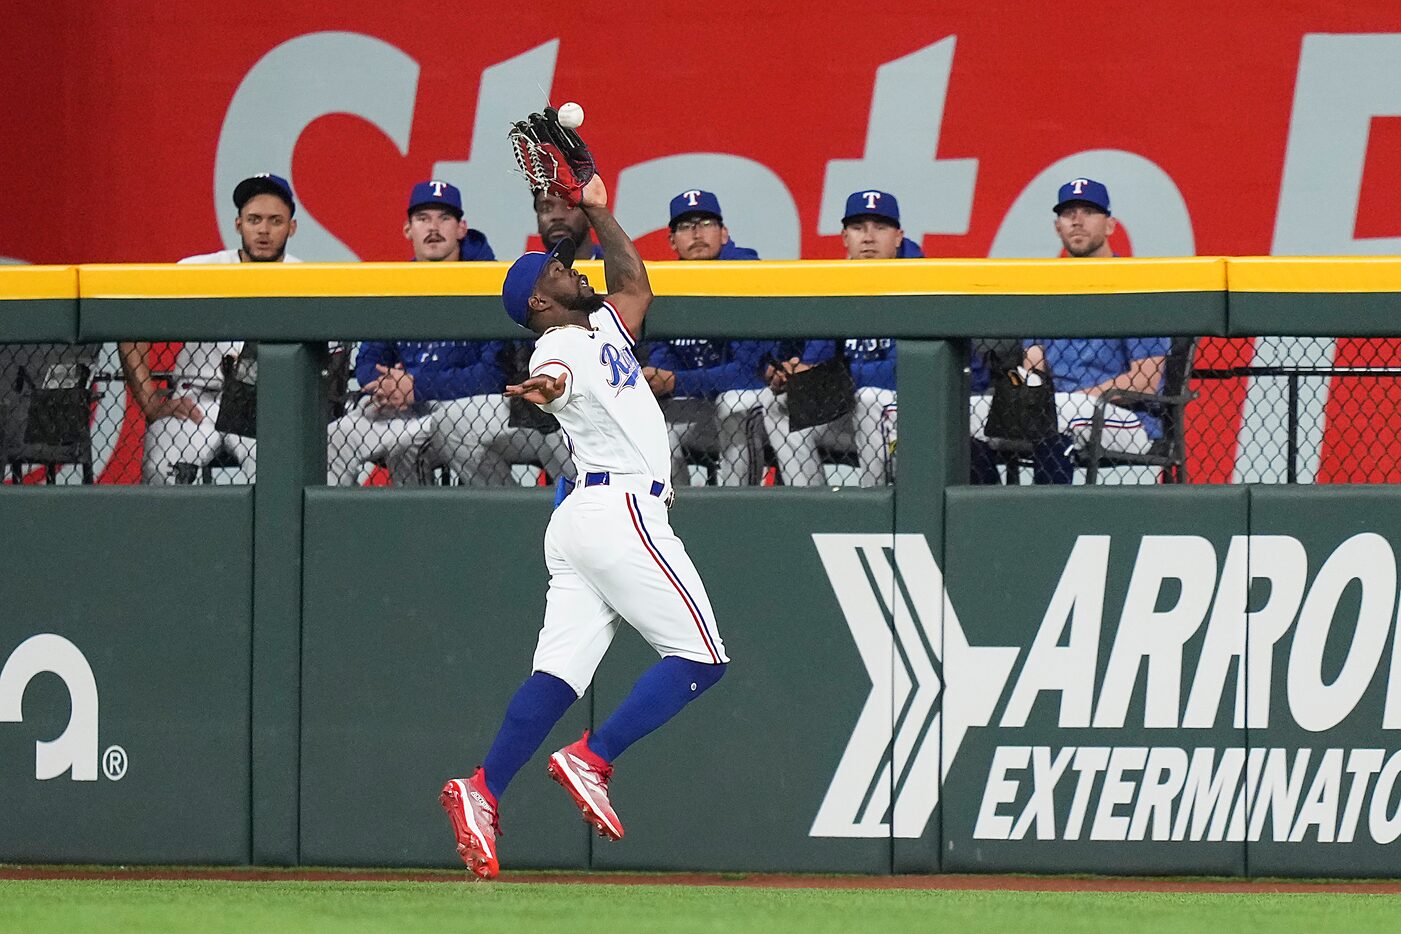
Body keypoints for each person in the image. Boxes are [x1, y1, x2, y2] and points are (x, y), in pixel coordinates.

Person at [440, 170, 728, 880]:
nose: (571, 268)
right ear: (540, 300)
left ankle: (483, 789)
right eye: (558, 271)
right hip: (621, 508)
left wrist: (600, 211)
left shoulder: (597, 322)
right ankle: (590, 758)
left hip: (580, 520)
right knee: (701, 658)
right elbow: (554, 380)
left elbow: (637, 287)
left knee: (558, 675)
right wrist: (545, 393)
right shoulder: (557, 346)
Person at [970, 178, 1169, 483]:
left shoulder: (1136, 286)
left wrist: (1077, 400)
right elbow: (1033, 366)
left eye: (1088, 211)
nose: (1077, 220)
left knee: (1061, 414)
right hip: (1058, 414)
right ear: (1057, 228)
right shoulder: (1048, 292)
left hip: (1128, 419)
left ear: (1110, 226)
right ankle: (989, 511)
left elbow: (1146, 380)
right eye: (1068, 213)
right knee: (967, 416)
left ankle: (1047, 518)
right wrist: (1026, 401)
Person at [119, 173, 300, 484]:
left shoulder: (307, 277)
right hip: (195, 402)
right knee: (161, 473)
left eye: (275, 220)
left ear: (291, 227)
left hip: (267, 408)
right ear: (238, 224)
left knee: (283, 482)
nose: (264, 230)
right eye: (254, 219)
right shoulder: (199, 270)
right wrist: (150, 401)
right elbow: (129, 322)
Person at [327, 180, 506, 485]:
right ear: (408, 230)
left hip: (462, 406)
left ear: (461, 228)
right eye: (423, 219)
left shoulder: (488, 281)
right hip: (402, 407)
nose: (433, 227)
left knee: (411, 444)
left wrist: (417, 386)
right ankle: (328, 528)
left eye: (444, 218)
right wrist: (387, 386)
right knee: (335, 436)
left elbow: (492, 375)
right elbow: (369, 359)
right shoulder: (399, 284)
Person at [762, 190, 921, 486]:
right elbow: (817, 355)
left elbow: (906, 372)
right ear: (844, 237)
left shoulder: (922, 280)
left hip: (913, 414)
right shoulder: (837, 280)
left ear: (898, 237)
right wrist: (799, 374)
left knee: (871, 397)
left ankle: (873, 507)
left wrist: (835, 377)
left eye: (880, 228)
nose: (869, 237)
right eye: (859, 228)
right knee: (779, 407)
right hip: (854, 406)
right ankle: (814, 509)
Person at [638, 190, 771, 485]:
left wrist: (676, 381)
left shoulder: (745, 271)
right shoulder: (666, 283)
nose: (697, 232)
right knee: (656, 431)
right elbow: (663, 357)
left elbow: (747, 374)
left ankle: (739, 507)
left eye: (706, 223)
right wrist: (658, 377)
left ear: (724, 234)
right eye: (686, 226)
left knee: (733, 402)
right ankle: (677, 513)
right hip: (701, 403)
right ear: (672, 241)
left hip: (756, 405)